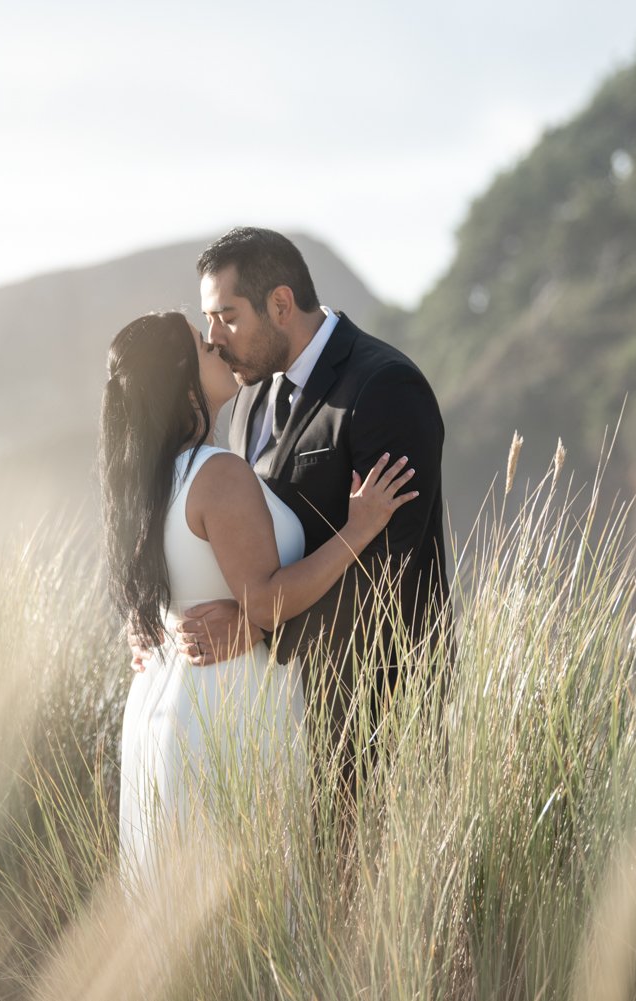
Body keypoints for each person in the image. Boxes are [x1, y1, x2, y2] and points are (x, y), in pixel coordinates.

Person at [99, 310, 417, 882]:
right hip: (227, 715)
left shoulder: (147, 483)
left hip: (161, 714)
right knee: (251, 917)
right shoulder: (217, 472)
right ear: (181, 373)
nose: (216, 346)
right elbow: (268, 602)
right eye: (203, 344)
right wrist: (361, 527)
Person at [164, 226, 452, 855]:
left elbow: (394, 565)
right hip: (282, 714)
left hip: (377, 709)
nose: (212, 337)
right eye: (207, 319)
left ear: (280, 304)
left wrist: (257, 623)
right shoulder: (244, 403)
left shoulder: (383, 386)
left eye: (226, 316)